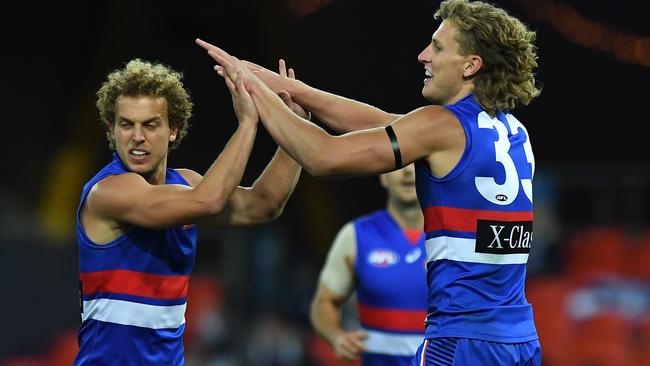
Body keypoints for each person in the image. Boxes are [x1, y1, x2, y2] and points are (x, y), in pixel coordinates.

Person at [197, 0, 542, 364]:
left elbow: (323, 156)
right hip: (519, 340)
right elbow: (381, 122)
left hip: (463, 342)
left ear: (471, 65)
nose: (423, 55)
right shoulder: (513, 131)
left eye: (438, 47)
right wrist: (292, 90)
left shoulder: (440, 125)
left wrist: (251, 87)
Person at [74, 59, 306, 365]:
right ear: (112, 130)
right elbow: (207, 201)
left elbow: (264, 205)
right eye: (126, 124)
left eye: (151, 124)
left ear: (174, 129)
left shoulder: (187, 185)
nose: (137, 137)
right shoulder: (109, 192)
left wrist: (297, 126)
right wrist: (248, 123)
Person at [310, 164, 427, 365]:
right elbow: (324, 302)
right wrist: (336, 336)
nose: (407, 171)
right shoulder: (356, 236)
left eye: (416, 164)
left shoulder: (454, 237)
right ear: (383, 176)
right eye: (400, 165)